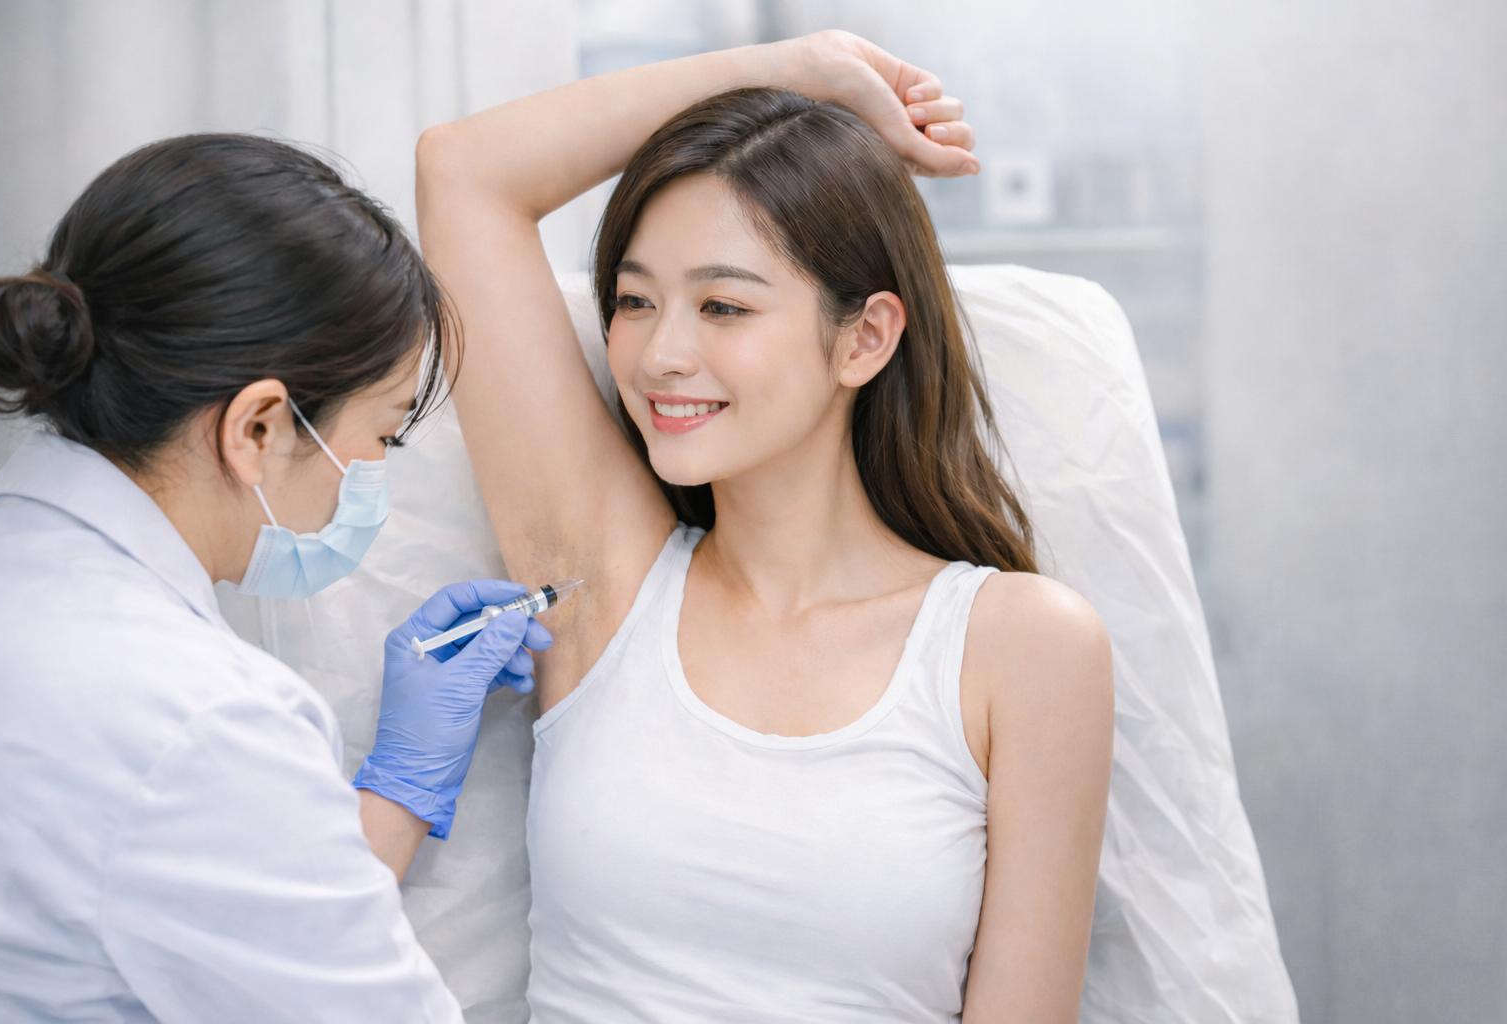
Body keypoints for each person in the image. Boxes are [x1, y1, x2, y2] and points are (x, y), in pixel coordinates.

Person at [418, 31, 1115, 1024]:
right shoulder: (605, 583)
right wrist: (797, 71)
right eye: (634, 300)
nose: (661, 353)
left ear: (865, 336)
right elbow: (464, 174)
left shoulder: (1022, 646)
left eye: (724, 306)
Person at [0, 135, 551, 1021]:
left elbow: (207, 905)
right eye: (386, 435)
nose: (376, 472)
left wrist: (394, 791)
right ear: (259, 430)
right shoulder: (203, 718)